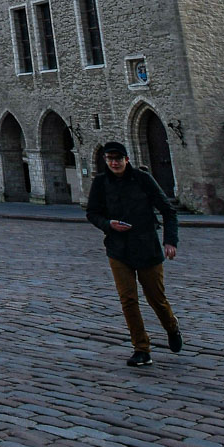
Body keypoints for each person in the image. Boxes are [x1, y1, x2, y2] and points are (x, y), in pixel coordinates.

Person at [85, 140, 182, 367]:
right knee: (128, 300)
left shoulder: (142, 179)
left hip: (147, 247)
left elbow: (168, 211)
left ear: (127, 159)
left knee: (156, 299)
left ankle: (171, 326)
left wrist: (170, 241)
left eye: (118, 159)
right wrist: (108, 224)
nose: (114, 163)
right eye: (110, 159)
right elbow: (92, 212)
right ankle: (141, 348)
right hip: (118, 249)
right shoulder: (100, 183)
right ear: (106, 161)